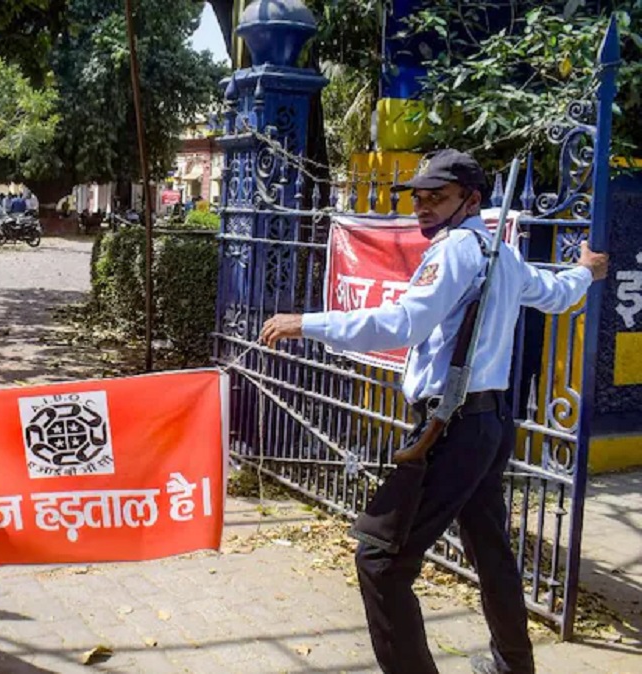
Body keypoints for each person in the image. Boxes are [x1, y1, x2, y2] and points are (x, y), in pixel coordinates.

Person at [259, 149, 609, 674]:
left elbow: (403, 324)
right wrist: (585, 273)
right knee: (490, 551)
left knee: (381, 561)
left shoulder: (456, 253)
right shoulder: (502, 255)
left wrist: (308, 323)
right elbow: (557, 294)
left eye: (436, 197)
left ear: (470, 199)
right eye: (419, 197)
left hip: (454, 428)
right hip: (488, 425)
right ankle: (514, 664)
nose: (423, 206)